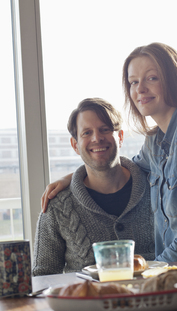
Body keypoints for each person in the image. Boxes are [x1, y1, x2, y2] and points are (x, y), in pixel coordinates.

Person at [41, 43, 177, 264]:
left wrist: (150, 274)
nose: (140, 89)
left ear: (172, 79)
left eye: (151, 78)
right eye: (134, 82)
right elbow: (121, 167)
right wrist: (73, 178)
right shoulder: (155, 142)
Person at [33, 98, 155, 276]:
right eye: (86, 133)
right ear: (75, 145)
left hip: (156, 300)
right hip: (87, 303)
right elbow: (42, 278)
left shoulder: (156, 188)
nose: (97, 138)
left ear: (120, 137)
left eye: (104, 130)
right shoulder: (57, 206)